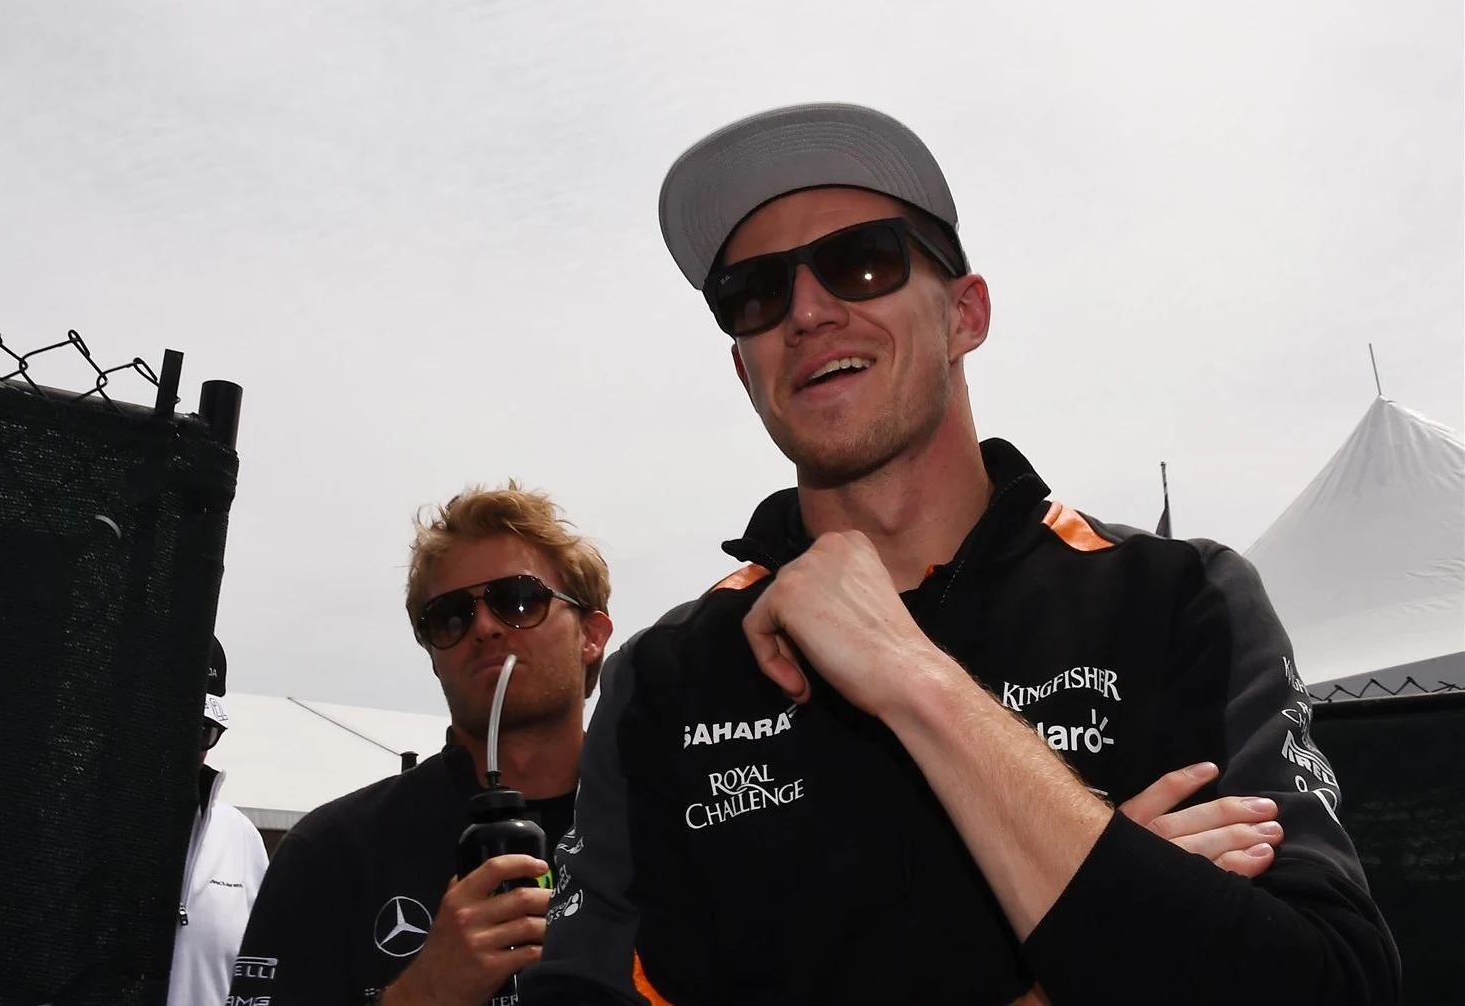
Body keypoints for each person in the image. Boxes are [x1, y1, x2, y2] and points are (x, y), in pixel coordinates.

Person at [522, 104, 1399, 1005]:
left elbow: (1328, 982)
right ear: (744, 368)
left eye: (862, 260)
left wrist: (915, 677)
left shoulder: (1179, 597)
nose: (810, 312)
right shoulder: (663, 681)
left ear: (966, 314)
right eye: (755, 293)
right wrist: (1111, 925)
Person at [226, 483, 615, 1006]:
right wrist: (426, 992)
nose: (483, 626)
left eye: (518, 600)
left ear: (592, 636)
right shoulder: (335, 853)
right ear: (434, 655)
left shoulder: (672, 823)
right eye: (450, 616)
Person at [166, 638, 268, 1006]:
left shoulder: (241, 838)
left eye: (202, 731)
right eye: (171, 725)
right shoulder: (67, 828)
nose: (183, 747)